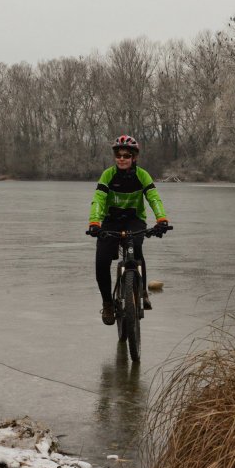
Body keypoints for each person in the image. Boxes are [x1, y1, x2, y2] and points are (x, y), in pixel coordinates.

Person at [87, 135, 169, 325]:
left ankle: (142, 292)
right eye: (118, 155)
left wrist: (161, 219)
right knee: (101, 262)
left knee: (137, 249)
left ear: (134, 158)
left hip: (134, 220)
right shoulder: (108, 175)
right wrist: (94, 223)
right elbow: (98, 200)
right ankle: (108, 303)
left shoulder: (142, 175)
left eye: (126, 155)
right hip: (110, 221)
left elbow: (154, 198)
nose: (122, 159)